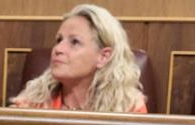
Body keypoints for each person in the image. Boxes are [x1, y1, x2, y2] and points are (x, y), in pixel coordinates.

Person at [10, 4, 146, 113]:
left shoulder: (128, 108)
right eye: (59, 40)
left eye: (74, 42)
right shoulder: (30, 104)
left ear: (103, 56)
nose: (58, 49)